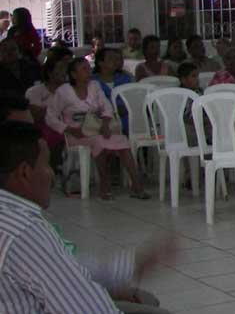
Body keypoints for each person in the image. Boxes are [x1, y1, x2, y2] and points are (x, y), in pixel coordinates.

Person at [0, 122, 175, 313]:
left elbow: (65, 268)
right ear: (24, 172)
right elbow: (86, 307)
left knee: (143, 301)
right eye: (46, 165)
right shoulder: (24, 232)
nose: (51, 175)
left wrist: (130, 266)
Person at [47, 58, 148, 200]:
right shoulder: (63, 92)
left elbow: (106, 106)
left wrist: (106, 124)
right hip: (77, 133)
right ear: (74, 74)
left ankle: (136, 185)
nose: (88, 72)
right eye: (84, 69)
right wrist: (68, 129)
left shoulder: (94, 86)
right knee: (99, 142)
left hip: (97, 127)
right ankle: (104, 184)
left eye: (89, 68)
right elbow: (50, 117)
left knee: (122, 140)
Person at [25, 52, 70, 152]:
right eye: (61, 69)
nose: (65, 72)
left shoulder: (71, 90)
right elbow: (36, 117)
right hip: (46, 132)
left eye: (66, 69)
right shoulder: (34, 91)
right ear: (50, 73)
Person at [93, 48, 133, 134]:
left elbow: (133, 100)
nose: (115, 61)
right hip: (103, 123)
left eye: (115, 58)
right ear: (101, 63)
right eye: (111, 58)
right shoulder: (93, 81)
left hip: (127, 122)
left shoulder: (125, 79)